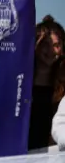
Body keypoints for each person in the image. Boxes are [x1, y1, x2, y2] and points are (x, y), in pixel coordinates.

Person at [29, 15, 65, 150]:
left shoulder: (63, 87)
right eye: (45, 44)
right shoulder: (19, 81)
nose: (50, 51)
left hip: (51, 159)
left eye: (56, 45)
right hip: (20, 157)